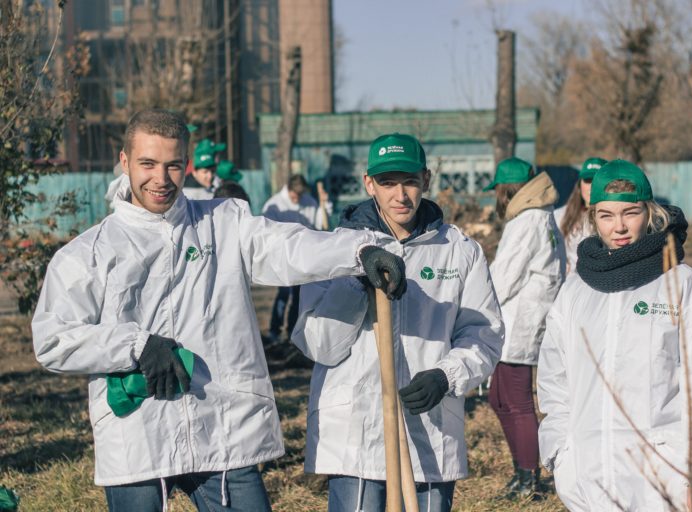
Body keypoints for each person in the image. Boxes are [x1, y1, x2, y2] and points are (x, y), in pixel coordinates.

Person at [31, 109, 407, 512]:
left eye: (173, 165)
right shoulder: (89, 253)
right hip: (138, 434)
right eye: (147, 164)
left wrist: (359, 250)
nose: (161, 179)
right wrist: (135, 346)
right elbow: (53, 339)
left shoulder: (223, 222)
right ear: (124, 162)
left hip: (224, 428)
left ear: (187, 165)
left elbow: (288, 245)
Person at [291, 133, 503, 512]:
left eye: (409, 181)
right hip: (355, 434)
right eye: (387, 182)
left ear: (426, 179)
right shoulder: (332, 250)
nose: (400, 195)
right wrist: (356, 280)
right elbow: (320, 345)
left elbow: (483, 335)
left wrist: (446, 376)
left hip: (430, 430)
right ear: (368, 183)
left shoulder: (459, 251)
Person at [537, 160, 692, 511]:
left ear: (650, 212)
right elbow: (556, 376)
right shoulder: (576, 289)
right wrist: (559, 450)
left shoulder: (682, 284)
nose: (620, 227)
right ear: (592, 217)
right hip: (587, 476)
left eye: (631, 212)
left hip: (663, 476)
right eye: (607, 216)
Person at [483, 157, 566, 499]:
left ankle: (529, 478)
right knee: (498, 397)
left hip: (519, 321)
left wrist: (474, 303)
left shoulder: (527, 220)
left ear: (506, 191)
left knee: (515, 401)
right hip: (520, 319)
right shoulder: (539, 216)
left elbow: (504, 277)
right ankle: (523, 471)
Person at [262, 174, 333, 342]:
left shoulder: (309, 201)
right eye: (295, 195)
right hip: (283, 258)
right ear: (289, 189)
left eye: (300, 195)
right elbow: (267, 231)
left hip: (303, 258)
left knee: (298, 295)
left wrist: (325, 204)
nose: (298, 198)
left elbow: (321, 225)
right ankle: (275, 330)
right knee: (283, 293)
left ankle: (292, 331)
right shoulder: (275, 204)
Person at [554, 157, 606, 274]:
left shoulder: (616, 219)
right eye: (587, 180)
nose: (592, 186)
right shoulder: (559, 216)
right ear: (579, 184)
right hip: (567, 286)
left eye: (597, 180)